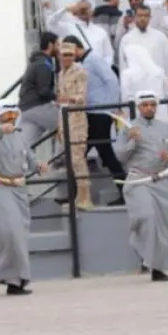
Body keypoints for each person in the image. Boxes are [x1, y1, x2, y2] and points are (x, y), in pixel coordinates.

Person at [113, 91, 168, 282]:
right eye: (145, 105)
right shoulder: (129, 128)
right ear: (139, 107)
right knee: (146, 216)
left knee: (161, 227)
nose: (149, 108)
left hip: (162, 180)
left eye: (153, 105)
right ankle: (143, 252)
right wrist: (132, 140)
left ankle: (157, 268)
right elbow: (120, 155)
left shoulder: (166, 127)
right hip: (139, 180)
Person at [0, 101, 49, 295]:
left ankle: (16, 280)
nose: (11, 118)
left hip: (19, 190)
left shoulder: (20, 136)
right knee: (7, 231)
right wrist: (0, 129)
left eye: (14, 114)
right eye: (7, 114)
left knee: (19, 235)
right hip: (0, 188)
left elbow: (30, 158)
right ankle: (1, 273)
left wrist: (39, 166)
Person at [119, 41, 168, 198]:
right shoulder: (158, 71)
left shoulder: (127, 74)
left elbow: (126, 98)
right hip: (161, 114)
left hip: (140, 116)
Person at [81, 39, 127, 206]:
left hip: (101, 114)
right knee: (82, 154)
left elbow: (112, 80)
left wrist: (112, 106)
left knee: (84, 153)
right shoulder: (85, 62)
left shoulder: (93, 60)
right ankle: (74, 194)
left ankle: (126, 192)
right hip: (93, 113)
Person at [56, 41, 93, 210]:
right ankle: (79, 196)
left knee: (78, 159)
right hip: (65, 119)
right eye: (64, 55)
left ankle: (86, 196)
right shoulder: (60, 74)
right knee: (71, 160)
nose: (67, 58)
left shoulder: (80, 72)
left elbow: (82, 98)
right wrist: (59, 125)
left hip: (77, 120)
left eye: (70, 55)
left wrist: (68, 99)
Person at [18, 32, 59, 151]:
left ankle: (24, 163)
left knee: (25, 146)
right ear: (50, 45)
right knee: (69, 124)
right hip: (37, 107)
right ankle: (60, 159)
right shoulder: (44, 64)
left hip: (26, 109)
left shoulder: (35, 62)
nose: (59, 48)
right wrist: (57, 97)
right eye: (57, 44)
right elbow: (43, 90)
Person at [48, 0, 113, 66]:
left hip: (98, 69)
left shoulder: (101, 32)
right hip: (78, 70)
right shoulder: (69, 28)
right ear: (76, 11)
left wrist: (104, 67)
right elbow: (51, 23)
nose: (84, 11)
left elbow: (108, 54)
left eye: (86, 9)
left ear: (92, 11)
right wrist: (65, 9)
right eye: (81, 9)